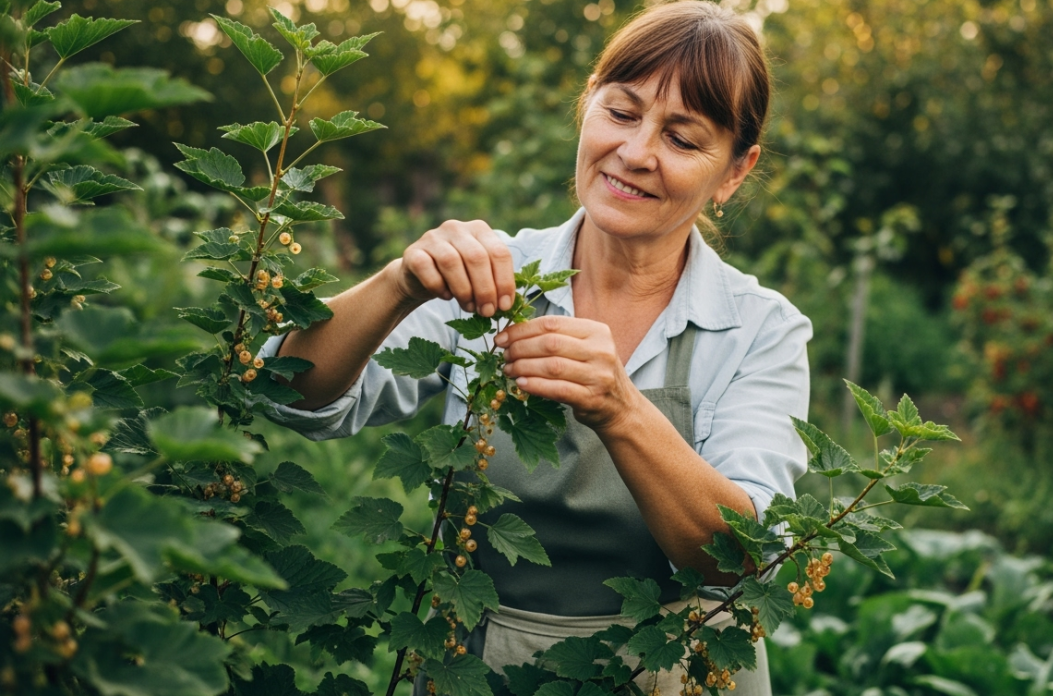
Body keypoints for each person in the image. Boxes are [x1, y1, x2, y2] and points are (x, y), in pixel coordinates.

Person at [260, 2, 811, 693]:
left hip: (677, 671)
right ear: (586, 105)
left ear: (734, 171)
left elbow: (736, 559)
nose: (636, 152)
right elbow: (290, 392)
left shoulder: (759, 328)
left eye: (682, 137)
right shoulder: (491, 278)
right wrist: (400, 283)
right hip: (480, 666)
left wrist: (621, 408)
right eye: (621, 111)